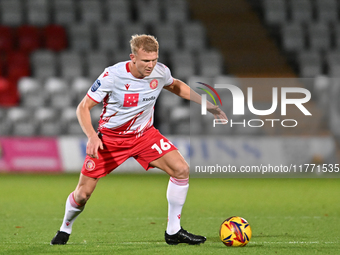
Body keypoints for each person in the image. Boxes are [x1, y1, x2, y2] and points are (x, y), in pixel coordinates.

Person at [51, 34, 227, 245]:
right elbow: (83, 107)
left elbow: (176, 86)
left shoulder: (160, 72)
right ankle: (65, 228)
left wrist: (207, 104)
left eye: (154, 60)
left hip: (144, 136)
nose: (151, 65)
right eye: (145, 61)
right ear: (132, 57)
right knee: (82, 195)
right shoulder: (112, 75)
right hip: (111, 141)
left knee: (181, 170)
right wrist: (91, 136)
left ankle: (173, 231)